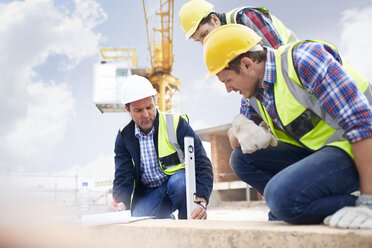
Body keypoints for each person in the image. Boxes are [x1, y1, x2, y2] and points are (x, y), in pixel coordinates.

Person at [202, 24, 372, 228]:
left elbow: (362, 122)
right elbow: (236, 143)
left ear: (247, 64)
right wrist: (238, 128)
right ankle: (291, 207)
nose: (228, 89)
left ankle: (293, 205)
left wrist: (368, 201)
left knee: (281, 198)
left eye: (228, 81)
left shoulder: (304, 60)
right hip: (323, 151)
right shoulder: (254, 93)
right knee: (240, 159)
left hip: (359, 145)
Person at [179, 0, 298, 153]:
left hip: (296, 78)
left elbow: (275, 61)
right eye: (198, 41)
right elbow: (249, 81)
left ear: (215, 20)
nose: (205, 42)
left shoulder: (245, 18)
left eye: (204, 34)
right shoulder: (223, 44)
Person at [111, 75, 213, 220]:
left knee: (180, 183)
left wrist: (201, 200)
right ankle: (166, 218)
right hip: (149, 194)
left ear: (154, 101)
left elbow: (201, 162)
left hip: (177, 185)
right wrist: (121, 203)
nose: (146, 114)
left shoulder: (176, 124)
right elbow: (123, 176)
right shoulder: (124, 137)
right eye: (139, 110)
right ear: (128, 109)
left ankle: (188, 225)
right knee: (137, 219)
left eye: (149, 107)